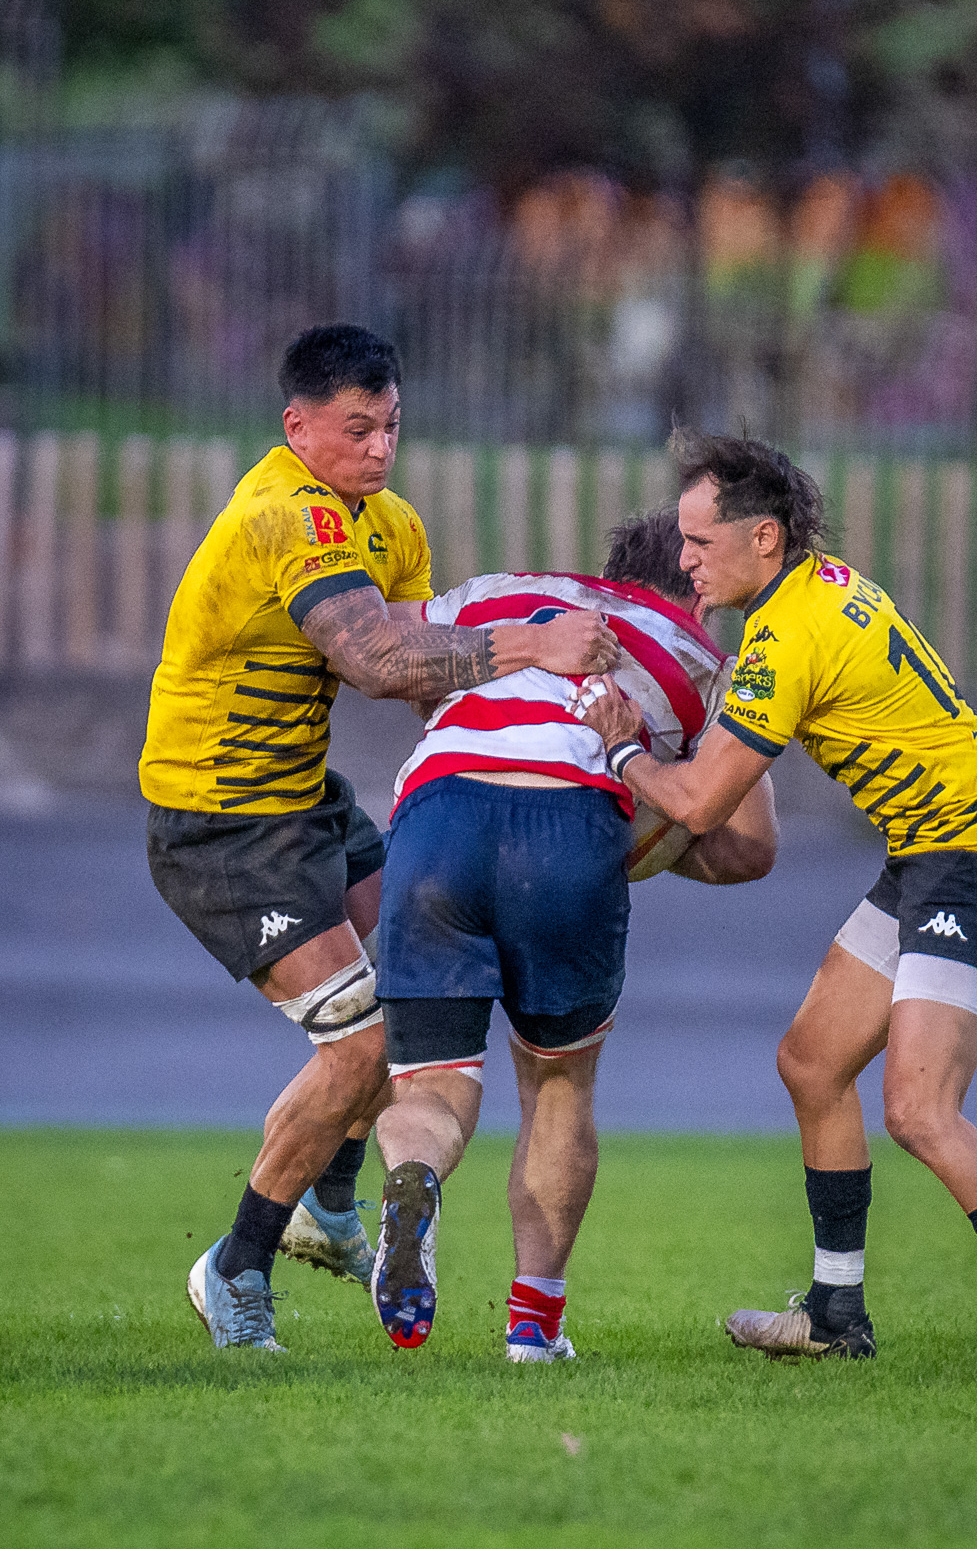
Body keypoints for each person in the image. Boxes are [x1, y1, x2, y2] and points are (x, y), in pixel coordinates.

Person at [576, 429, 977, 1376]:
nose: (686, 560)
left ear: (767, 539)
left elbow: (704, 803)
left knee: (917, 1108)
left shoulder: (785, 636)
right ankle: (835, 1315)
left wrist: (625, 751)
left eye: (702, 542)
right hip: (929, 856)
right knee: (812, 1063)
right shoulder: (821, 585)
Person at [138, 322, 618, 1352]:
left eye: (392, 424)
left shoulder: (387, 523)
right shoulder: (285, 515)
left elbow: (427, 676)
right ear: (296, 425)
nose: (379, 448)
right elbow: (376, 661)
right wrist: (532, 642)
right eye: (356, 428)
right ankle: (237, 1264)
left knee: (409, 997)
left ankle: (332, 1208)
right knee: (358, 1048)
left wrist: (565, 752)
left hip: (307, 799)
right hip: (221, 823)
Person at [368, 509, 778, 1361]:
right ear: (694, 579)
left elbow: (403, 670)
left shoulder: (491, 594)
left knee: (431, 1089)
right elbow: (747, 851)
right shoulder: (704, 660)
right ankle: (532, 1331)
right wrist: (648, 832)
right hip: (572, 828)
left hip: (436, 813)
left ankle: (412, 1184)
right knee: (557, 1089)